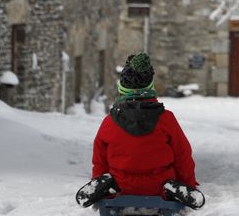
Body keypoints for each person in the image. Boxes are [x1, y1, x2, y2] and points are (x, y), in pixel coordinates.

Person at [75, 53, 205, 210]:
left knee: (109, 178)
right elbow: (182, 156)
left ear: (122, 88)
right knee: (169, 181)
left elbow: (100, 160)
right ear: (150, 86)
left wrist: (99, 179)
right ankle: (174, 188)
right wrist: (188, 184)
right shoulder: (166, 119)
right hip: (159, 186)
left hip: (121, 186)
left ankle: (103, 186)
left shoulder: (110, 121)